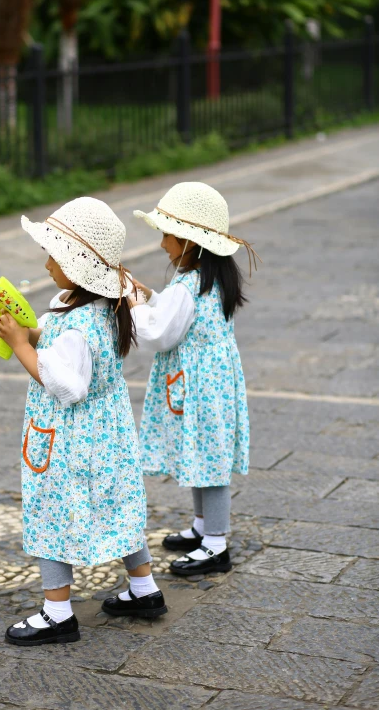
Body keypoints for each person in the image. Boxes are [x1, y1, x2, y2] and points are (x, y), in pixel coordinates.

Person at [0, 197, 167, 648]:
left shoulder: (78, 324)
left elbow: (64, 384)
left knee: (51, 512)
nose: (47, 262)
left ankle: (57, 613)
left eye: (55, 254)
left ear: (77, 265)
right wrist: (29, 333)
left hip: (71, 440)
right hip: (106, 435)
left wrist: (19, 346)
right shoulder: (96, 306)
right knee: (117, 505)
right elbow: (56, 343)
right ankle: (145, 589)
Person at [129, 182, 259, 577]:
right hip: (211, 381)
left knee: (209, 461)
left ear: (190, 241)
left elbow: (158, 334)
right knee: (202, 453)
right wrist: (150, 296)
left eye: (167, 234)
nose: (163, 243)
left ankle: (215, 545)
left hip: (200, 385)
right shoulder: (208, 277)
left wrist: (135, 307)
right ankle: (204, 528)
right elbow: (173, 312)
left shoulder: (189, 285)